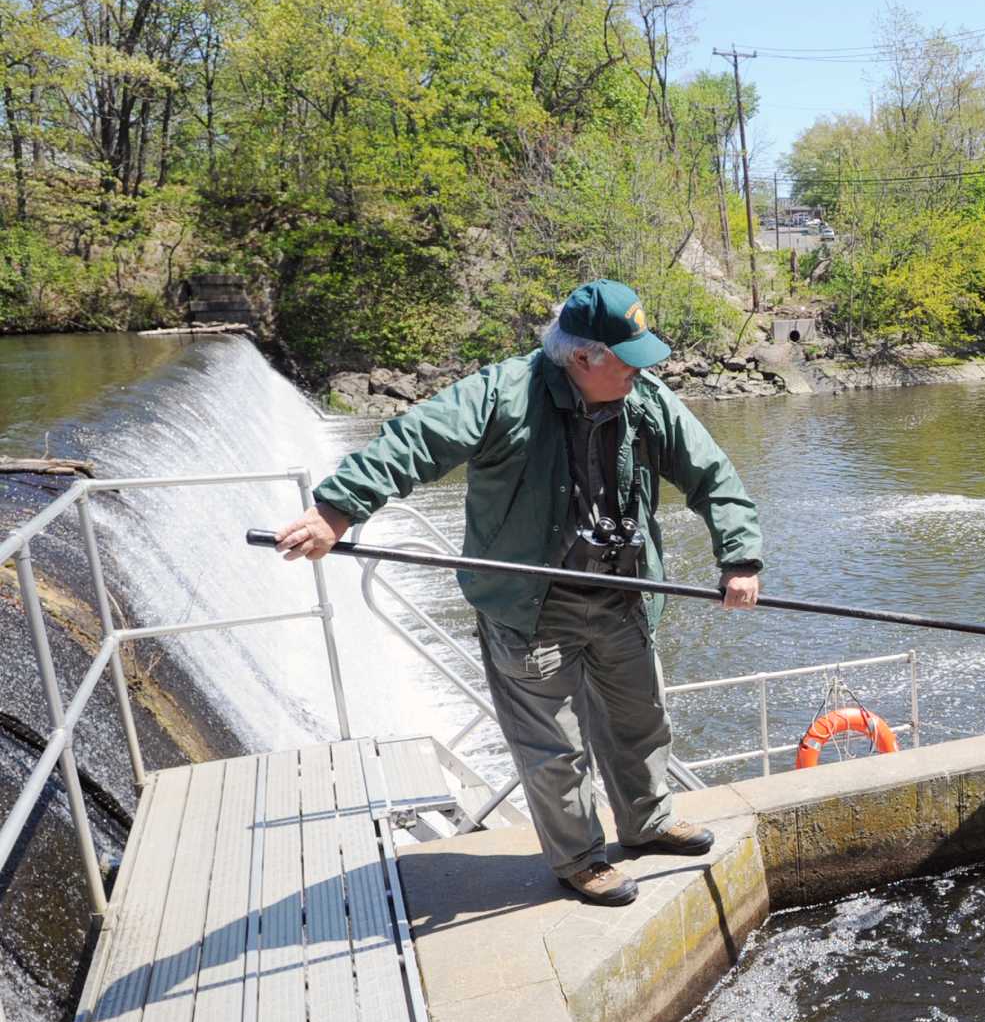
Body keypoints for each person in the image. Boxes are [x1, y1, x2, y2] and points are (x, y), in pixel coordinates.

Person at [271, 280, 763, 907]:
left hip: (622, 598)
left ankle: (648, 823)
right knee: (554, 751)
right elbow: (412, 442)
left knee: (641, 723)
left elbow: (712, 474)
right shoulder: (501, 394)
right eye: (629, 359)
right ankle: (581, 859)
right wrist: (335, 511)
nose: (642, 372)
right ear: (583, 357)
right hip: (533, 610)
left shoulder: (644, 400)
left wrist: (739, 558)